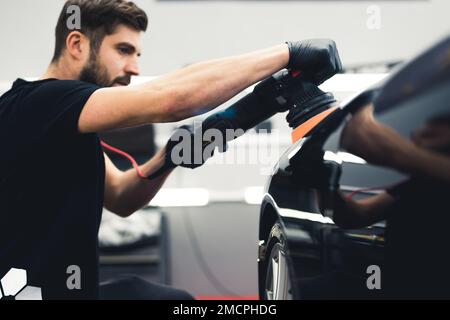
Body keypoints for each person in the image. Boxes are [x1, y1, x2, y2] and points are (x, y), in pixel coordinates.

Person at [0, 0, 342, 299]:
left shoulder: (64, 121)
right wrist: (287, 52)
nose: (134, 68)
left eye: (137, 54)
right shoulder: (36, 103)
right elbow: (174, 98)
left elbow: (121, 197)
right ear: (77, 43)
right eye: (123, 50)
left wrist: (172, 156)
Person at [334, 104, 450, 298]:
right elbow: (356, 216)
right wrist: (323, 184)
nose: (416, 134)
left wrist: (397, 152)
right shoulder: (422, 183)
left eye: (431, 134)